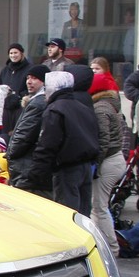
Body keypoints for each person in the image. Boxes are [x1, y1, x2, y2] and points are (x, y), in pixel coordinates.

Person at [25, 71, 99, 215]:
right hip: (86, 166)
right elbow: (96, 137)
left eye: (46, 88)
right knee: (83, 214)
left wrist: (34, 176)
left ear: (53, 88)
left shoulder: (55, 110)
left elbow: (47, 145)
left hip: (67, 168)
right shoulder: (83, 108)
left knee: (67, 214)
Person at [89, 72, 128, 255]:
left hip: (108, 162)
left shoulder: (100, 108)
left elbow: (103, 139)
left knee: (99, 206)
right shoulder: (109, 105)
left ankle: (112, 248)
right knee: (98, 206)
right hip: (115, 159)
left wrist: (95, 165)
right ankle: (104, 244)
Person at [6, 65, 52, 198]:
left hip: (26, 168)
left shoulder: (38, 104)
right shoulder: (36, 101)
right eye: (28, 78)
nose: (29, 81)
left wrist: (10, 154)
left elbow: (22, 137)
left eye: (34, 78)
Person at [0, 43, 31, 134]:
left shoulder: (29, 69)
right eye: (11, 53)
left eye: (15, 52)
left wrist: (19, 96)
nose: (13, 55)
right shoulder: (5, 70)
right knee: (5, 135)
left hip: (21, 107)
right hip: (6, 109)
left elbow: (31, 88)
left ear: (21, 53)